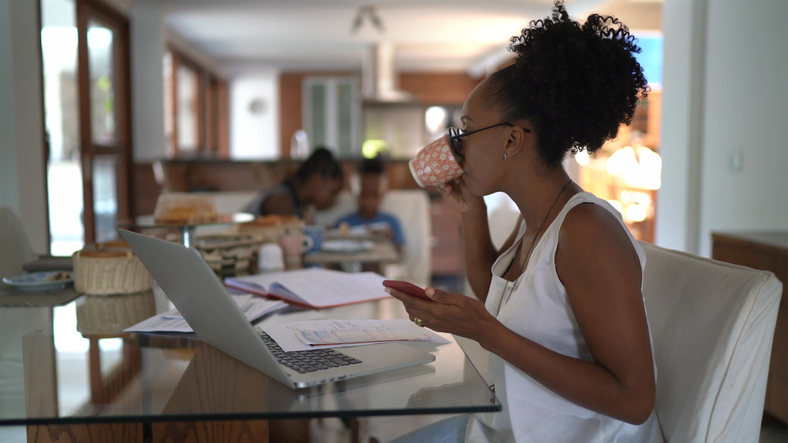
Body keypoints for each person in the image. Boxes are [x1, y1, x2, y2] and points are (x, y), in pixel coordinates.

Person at [385, 2, 663, 442]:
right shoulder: (536, 217)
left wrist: (489, 334)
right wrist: (469, 207)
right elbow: (494, 292)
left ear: (511, 140)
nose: (456, 149)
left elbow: (634, 400)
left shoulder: (587, 232)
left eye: (465, 132)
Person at [244, 147, 344, 222]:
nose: (334, 201)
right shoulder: (282, 200)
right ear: (316, 180)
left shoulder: (301, 205)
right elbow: (288, 236)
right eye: (333, 193)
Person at [335, 156, 405, 253]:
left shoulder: (391, 223)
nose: (369, 201)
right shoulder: (343, 224)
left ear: (383, 194)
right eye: (364, 195)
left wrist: (387, 241)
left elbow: (399, 255)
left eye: (375, 196)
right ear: (353, 192)